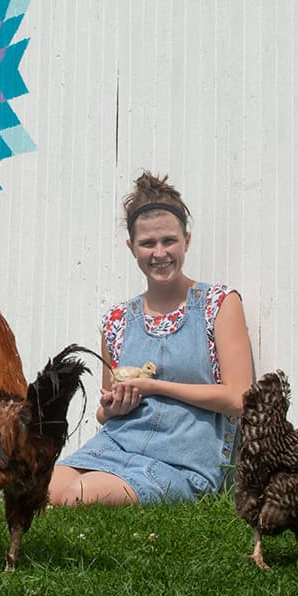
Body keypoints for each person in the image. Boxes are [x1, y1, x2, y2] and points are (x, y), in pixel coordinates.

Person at [48, 171, 253, 505]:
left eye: (169, 241)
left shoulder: (219, 303)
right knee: (43, 488)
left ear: (187, 240)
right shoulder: (117, 320)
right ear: (132, 248)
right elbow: (103, 413)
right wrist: (113, 407)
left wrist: (156, 387)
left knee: (80, 495)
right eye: (148, 244)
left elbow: (240, 398)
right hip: (117, 445)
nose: (160, 253)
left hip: (182, 462)